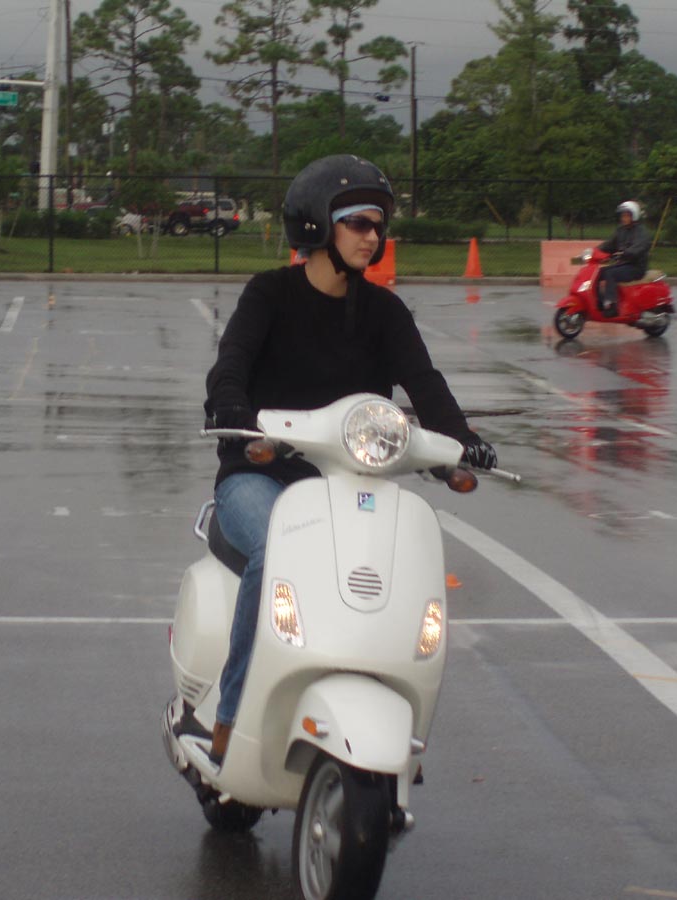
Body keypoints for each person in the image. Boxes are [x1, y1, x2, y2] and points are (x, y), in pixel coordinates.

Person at [199, 154, 497, 765]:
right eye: (358, 223)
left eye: (378, 225)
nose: (372, 237)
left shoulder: (384, 312)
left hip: (351, 483)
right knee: (276, 550)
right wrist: (231, 408)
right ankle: (232, 713)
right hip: (260, 474)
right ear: (316, 225)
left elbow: (424, 383)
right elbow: (231, 363)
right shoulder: (269, 295)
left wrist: (459, 439)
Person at [597, 201, 651, 316]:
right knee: (598, 273)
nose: (623, 218)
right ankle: (599, 302)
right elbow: (609, 244)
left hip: (636, 267)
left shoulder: (641, 232)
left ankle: (612, 305)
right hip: (623, 264)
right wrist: (594, 251)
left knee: (610, 274)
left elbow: (638, 248)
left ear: (634, 216)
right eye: (622, 216)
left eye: (626, 216)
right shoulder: (620, 230)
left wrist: (625, 253)